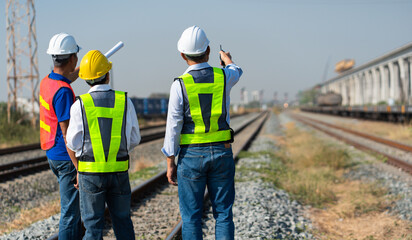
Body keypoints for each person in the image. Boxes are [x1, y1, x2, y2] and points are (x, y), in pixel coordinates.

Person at [162, 25, 243, 240]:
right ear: (208, 51)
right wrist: (228, 60)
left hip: (191, 157)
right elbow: (237, 71)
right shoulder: (224, 77)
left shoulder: (180, 85)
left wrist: (171, 161)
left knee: (191, 218)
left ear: (182, 55)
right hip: (222, 152)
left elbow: (173, 126)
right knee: (224, 214)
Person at [66, 50, 140, 240]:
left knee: (92, 228)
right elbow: (134, 139)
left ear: (85, 79)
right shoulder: (125, 102)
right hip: (119, 172)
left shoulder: (79, 105)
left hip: (90, 175)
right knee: (123, 222)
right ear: (107, 75)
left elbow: (72, 143)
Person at [39, 32, 82, 240]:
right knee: (70, 213)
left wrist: (84, 70)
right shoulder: (64, 92)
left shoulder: (47, 82)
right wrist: (78, 167)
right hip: (65, 157)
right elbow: (68, 134)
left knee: (71, 209)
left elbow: (67, 78)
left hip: (51, 153)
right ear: (72, 58)